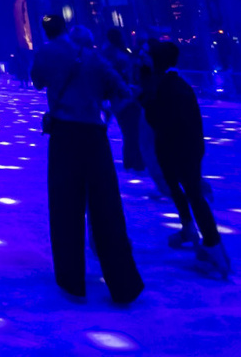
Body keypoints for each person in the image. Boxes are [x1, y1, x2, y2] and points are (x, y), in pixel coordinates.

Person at [30, 16, 144, 304]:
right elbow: (121, 89)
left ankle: (71, 280)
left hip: (64, 134)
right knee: (107, 207)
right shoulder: (92, 57)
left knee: (65, 208)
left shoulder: (46, 52)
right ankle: (123, 283)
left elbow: (36, 81)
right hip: (94, 134)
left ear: (46, 31)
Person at [142, 40, 229, 275]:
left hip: (175, 149)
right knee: (182, 191)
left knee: (192, 194)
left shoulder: (165, 87)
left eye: (148, 56)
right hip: (185, 148)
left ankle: (212, 244)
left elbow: (157, 118)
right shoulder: (176, 84)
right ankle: (193, 230)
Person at [102, 28, 144, 170]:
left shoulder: (109, 53)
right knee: (132, 129)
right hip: (124, 96)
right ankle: (134, 161)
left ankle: (132, 160)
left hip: (122, 96)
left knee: (130, 129)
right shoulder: (116, 54)